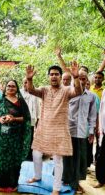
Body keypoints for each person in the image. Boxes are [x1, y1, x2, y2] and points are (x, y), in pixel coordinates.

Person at [26, 63, 82, 195]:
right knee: (36, 154)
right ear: (48, 77)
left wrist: (76, 77)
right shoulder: (44, 90)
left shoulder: (67, 90)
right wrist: (29, 79)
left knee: (57, 160)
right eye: (51, 74)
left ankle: (56, 188)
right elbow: (31, 90)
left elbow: (78, 91)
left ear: (60, 76)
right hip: (44, 128)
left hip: (59, 130)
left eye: (57, 74)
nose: (54, 76)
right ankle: (37, 176)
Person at [0, 80, 32, 189]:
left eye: (13, 86)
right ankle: (0, 183)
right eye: (8, 86)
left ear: (17, 88)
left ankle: (13, 183)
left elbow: (26, 118)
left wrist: (14, 119)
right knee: (2, 157)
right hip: (3, 134)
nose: (10, 88)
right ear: (5, 88)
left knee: (14, 158)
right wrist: (0, 119)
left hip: (16, 135)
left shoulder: (21, 102)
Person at [62, 71, 97, 193]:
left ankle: (75, 182)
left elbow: (92, 116)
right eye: (79, 79)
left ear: (87, 80)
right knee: (67, 157)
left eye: (83, 79)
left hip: (82, 131)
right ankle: (65, 178)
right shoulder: (68, 93)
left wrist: (92, 131)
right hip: (68, 130)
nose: (81, 81)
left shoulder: (91, 96)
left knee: (79, 158)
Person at [21, 78, 41, 161]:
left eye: (28, 82)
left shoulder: (34, 93)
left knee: (30, 137)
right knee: (21, 137)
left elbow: (37, 107)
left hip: (31, 119)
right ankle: (21, 154)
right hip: (20, 119)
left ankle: (29, 155)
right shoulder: (19, 93)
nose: (26, 84)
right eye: (25, 82)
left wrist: (38, 120)